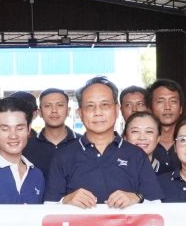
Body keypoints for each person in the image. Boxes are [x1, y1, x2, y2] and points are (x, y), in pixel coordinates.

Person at [47, 78, 151, 209]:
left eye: (105, 105)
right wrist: (65, 201)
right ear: (80, 113)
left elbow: (159, 207)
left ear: (116, 109)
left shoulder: (137, 155)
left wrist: (137, 197)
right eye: (90, 106)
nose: (98, 112)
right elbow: (47, 209)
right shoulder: (63, 156)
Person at [25, 88, 73, 170]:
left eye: (60, 105)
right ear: (40, 112)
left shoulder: (83, 144)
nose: (54, 110)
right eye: (47, 106)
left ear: (68, 111)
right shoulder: (26, 146)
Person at [148, 78, 185, 167]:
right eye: (160, 101)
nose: (167, 107)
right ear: (150, 108)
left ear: (181, 108)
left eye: (173, 101)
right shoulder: (143, 143)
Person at [123, 110, 165, 180]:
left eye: (149, 131)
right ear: (125, 137)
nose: (142, 138)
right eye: (135, 131)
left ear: (158, 138)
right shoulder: (114, 170)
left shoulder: (168, 174)